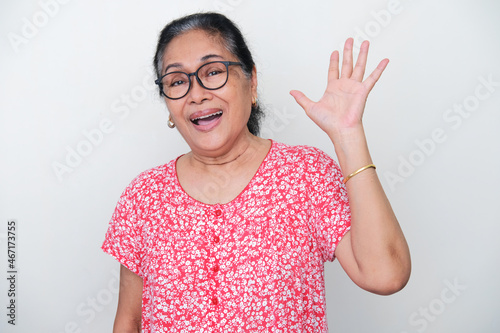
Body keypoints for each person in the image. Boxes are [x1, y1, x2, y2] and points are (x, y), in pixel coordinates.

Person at [102, 12, 411, 333]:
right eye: (177, 81)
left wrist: (348, 135)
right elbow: (130, 320)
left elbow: (386, 275)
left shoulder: (306, 173)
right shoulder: (144, 196)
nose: (196, 94)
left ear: (252, 81)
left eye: (213, 72)